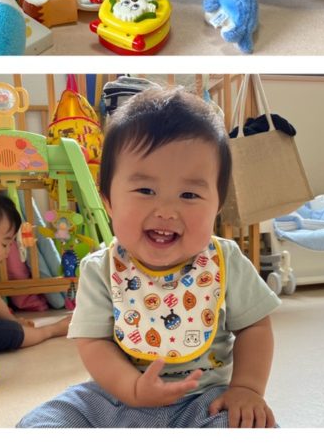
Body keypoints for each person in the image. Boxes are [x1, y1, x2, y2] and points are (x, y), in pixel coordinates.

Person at [18, 87, 280, 428]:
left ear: (217, 206)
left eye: (189, 194)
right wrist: (132, 388)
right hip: (113, 397)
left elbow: (254, 326)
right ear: (109, 201)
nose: (166, 210)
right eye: (145, 190)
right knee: (40, 423)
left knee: (252, 428)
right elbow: (94, 342)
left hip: (202, 400)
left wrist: (246, 389)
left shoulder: (225, 259)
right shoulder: (101, 269)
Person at [0, 191, 71, 355]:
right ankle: (51, 330)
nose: (8, 251)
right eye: (5, 244)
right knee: (12, 331)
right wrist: (15, 322)